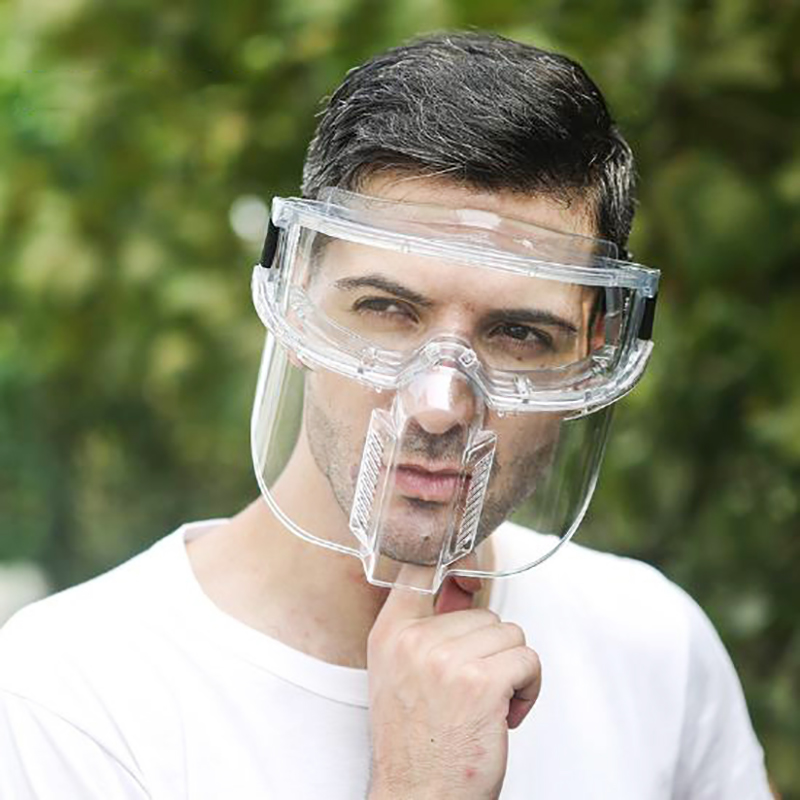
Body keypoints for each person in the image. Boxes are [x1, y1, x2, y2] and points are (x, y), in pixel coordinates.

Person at [0, 32, 775, 799]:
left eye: (518, 333)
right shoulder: (69, 697)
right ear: (296, 298)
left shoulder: (654, 648)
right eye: (386, 310)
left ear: (590, 353)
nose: (441, 405)